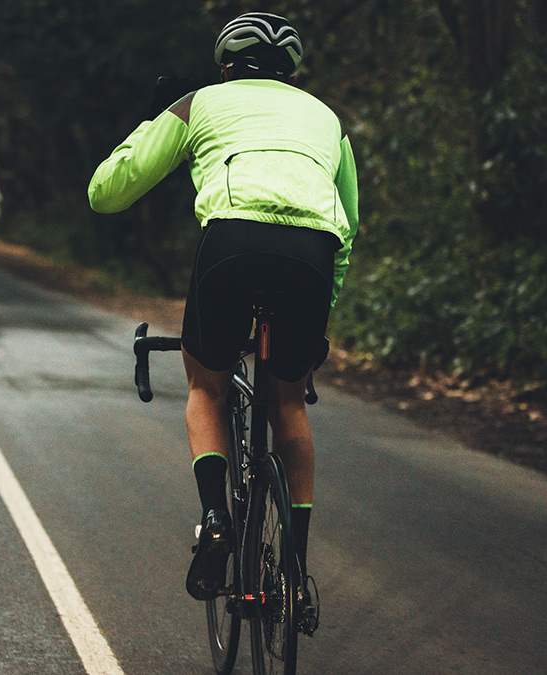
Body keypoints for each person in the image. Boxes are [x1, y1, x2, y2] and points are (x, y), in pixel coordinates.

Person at [87, 12, 359, 622]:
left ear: (226, 66)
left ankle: (215, 518)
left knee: (206, 384)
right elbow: (349, 223)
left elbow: (105, 193)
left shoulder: (199, 103)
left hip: (231, 247)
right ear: (291, 71)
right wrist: (323, 305)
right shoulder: (327, 119)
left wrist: (155, 120)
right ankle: (295, 575)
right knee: (288, 400)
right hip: (312, 258)